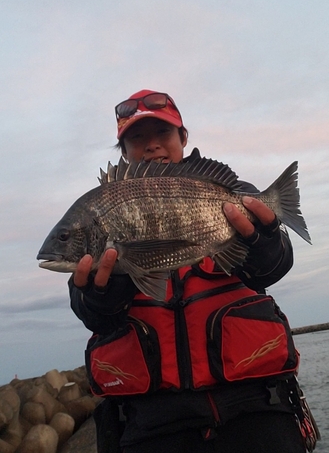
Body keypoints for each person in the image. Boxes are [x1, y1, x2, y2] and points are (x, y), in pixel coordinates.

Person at [69, 90, 316, 453]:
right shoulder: (103, 213)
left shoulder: (233, 194)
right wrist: (102, 294)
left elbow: (273, 267)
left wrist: (265, 246)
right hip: (154, 423)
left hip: (255, 409)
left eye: (163, 135)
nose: (153, 146)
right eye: (138, 138)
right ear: (123, 150)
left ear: (183, 138)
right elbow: (90, 312)